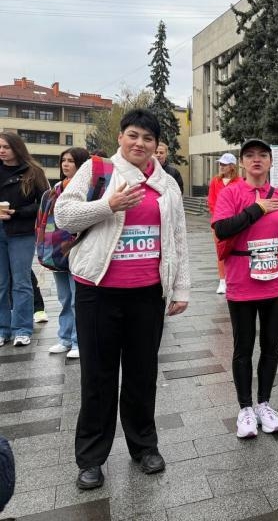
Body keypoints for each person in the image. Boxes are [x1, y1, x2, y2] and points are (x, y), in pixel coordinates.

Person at [55, 108, 190, 490]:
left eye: (148, 139)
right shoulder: (97, 170)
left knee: (141, 374)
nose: (140, 144)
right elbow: (64, 214)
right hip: (98, 293)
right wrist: (108, 205)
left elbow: (178, 237)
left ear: (156, 145)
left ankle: (144, 446)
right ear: (120, 137)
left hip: (147, 295)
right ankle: (91, 458)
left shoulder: (166, 184)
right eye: (133, 135)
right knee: (97, 377)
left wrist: (180, 288)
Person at [213, 139, 278, 438]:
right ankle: (245, 408)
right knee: (243, 347)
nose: (256, 160)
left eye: (263, 155)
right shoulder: (231, 193)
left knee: (271, 346)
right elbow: (222, 228)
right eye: (249, 155)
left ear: (271, 161)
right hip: (242, 282)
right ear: (241, 163)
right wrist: (256, 209)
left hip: (274, 281)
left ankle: (264, 402)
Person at [0, 132, 49, 347]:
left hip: (21, 232)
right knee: (1, 283)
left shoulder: (33, 171)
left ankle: (22, 328)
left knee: (21, 282)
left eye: (6, 147)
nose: (1, 151)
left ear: (17, 148)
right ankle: (3, 329)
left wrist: (17, 212)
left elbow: (45, 203)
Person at [44, 147, 91, 359]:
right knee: (64, 297)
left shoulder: (88, 188)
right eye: (63, 160)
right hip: (56, 248)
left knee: (76, 298)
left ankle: (77, 340)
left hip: (77, 246)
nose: (65, 164)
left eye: (71, 161)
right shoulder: (55, 188)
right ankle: (64, 337)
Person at [208, 153, 242, 294]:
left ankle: (236, 278)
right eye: (220, 164)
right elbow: (211, 202)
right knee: (221, 252)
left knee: (237, 251)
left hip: (236, 223)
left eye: (224, 164)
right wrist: (220, 218)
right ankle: (222, 280)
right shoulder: (215, 181)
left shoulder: (240, 182)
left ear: (232, 167)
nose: (221, 167)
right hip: (219, 223)